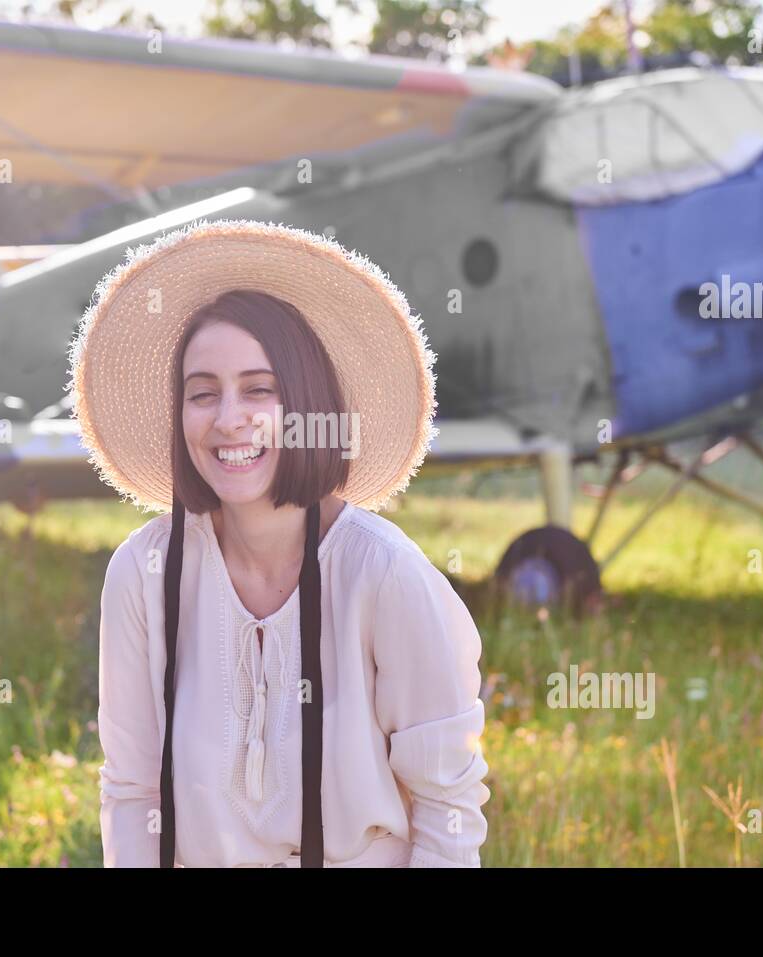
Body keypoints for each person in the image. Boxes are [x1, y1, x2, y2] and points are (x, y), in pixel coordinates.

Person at [69, 218, 490, 868]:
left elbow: (448, 806)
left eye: (259, 389)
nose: (228, 418)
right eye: (202, 393)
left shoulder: (385, 574)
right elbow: (133, 791)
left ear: (307, 404)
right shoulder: (144, 572)